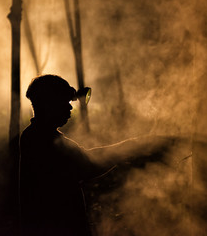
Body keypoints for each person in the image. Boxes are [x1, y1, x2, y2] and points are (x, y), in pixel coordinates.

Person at [19, 74, 173, 235]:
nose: (70, 107)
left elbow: (87, 160)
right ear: (49, 104)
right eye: (65, 102)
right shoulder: (43, 139)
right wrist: (136, 145)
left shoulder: (35, 136)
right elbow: (90, 164)